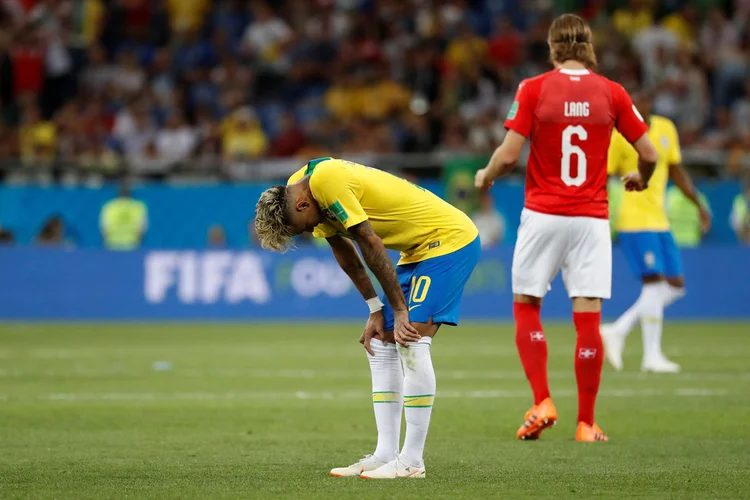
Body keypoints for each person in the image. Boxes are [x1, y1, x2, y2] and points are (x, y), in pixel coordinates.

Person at [474, 14, 658, 443]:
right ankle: (587, 423)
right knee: (588, 318)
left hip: (544, 214)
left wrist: (485, 175)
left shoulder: (533, 88)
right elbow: (647, 152)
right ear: (589, 46)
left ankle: (542, 400)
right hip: (591, 218)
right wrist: (641, 177)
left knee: (526, 304)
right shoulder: (613, 92)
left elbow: (506, 157)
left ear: (554, 47)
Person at [254, 157, 480, 479]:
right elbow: (345, 251)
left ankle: (412, 462)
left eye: (301, 227)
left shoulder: (326, 181)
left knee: (410, 338)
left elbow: (369, 242)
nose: (307, 231)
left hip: (449, 240)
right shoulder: (301, 189)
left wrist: (400, 311)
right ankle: (385, 454)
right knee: (381, 341)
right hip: (415, 250)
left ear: (302, 205)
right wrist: (375, 307)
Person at [603, 93, 711, 374]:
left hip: (660, 220)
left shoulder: (666, 128)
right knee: (653, 285)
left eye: (645, 101)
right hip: (635, 219)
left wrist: (698, 203)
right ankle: (651, 356)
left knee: (675, 285)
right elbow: (603, 175)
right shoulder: (619, 135)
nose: (641, 106)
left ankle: (619, 329)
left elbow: (676, 171)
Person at [100, 184, 148, 250]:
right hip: (132, 243)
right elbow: (142, 227)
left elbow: (104, 227)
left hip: (112, 243)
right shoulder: (138, 207)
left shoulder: (110, 206)